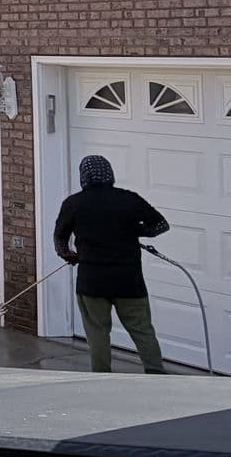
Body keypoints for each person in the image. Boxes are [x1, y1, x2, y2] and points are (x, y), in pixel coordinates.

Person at [53, 154, 170, 374]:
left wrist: (69, 256)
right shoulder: (128, 199)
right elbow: (161, 225)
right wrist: (137, 230)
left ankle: (102, 379)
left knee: (97, 334)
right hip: (129, 282)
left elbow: (60, 239)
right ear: (110, 175)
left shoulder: (74, 203)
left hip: (91, 282)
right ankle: (157, 376)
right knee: (142, 331)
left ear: (83, 177)